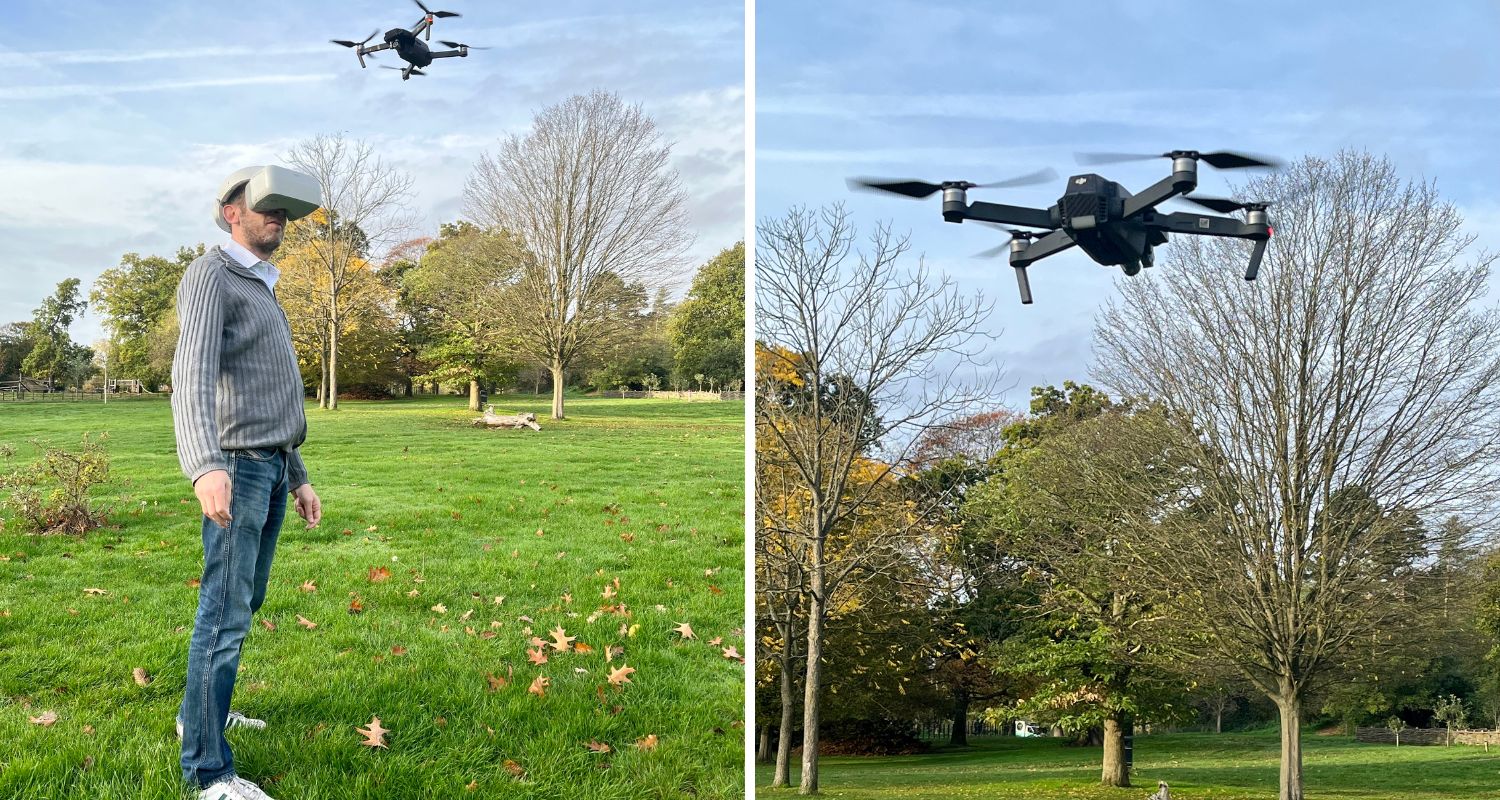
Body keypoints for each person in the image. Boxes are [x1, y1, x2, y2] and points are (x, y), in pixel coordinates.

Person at [171, 166, 324, 800]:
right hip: (233, 468)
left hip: (269, 466)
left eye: (285, 213)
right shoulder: (212, 275)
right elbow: (191, 374)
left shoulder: (262, 286)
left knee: (243, 604)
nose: (277, 220)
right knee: (224, 614)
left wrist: (299, 475)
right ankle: (208, 770)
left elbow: (271, 394)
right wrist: (206, 464)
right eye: (266, 208)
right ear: (232, 211)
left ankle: (202, 712)